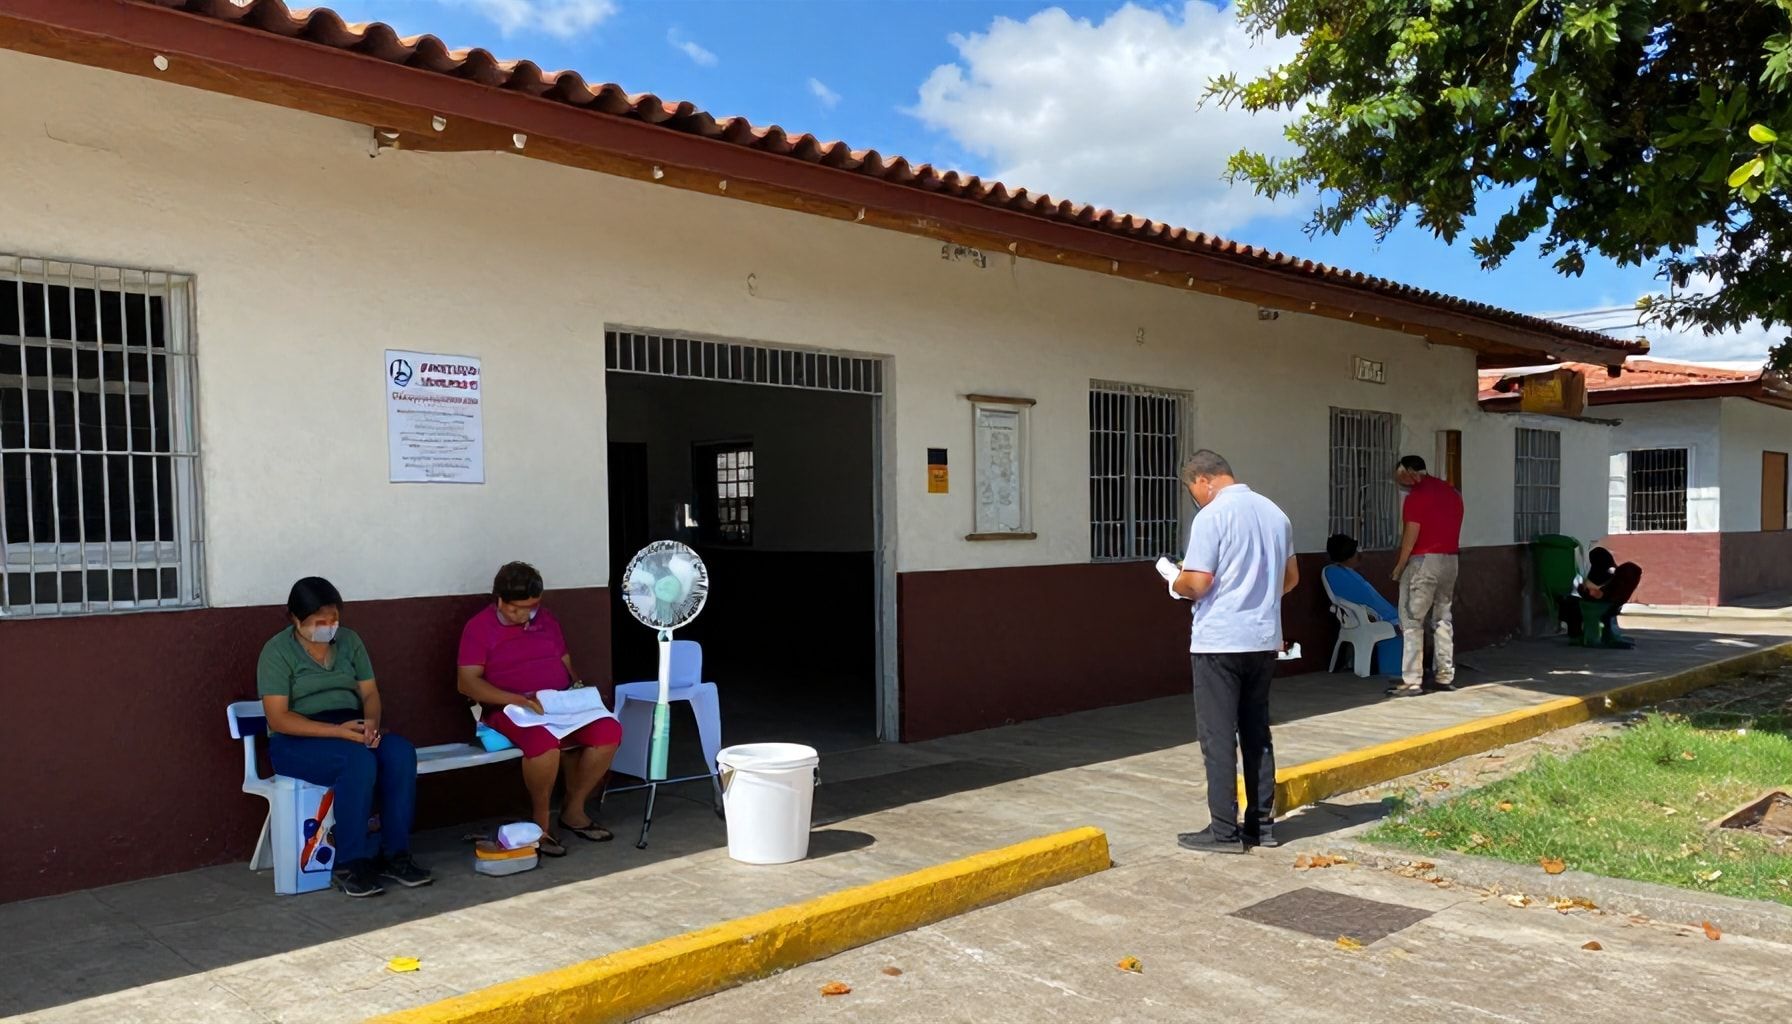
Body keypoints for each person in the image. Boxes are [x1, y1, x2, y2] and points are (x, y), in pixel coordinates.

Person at [256, 577, 432, 898]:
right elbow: (278, 718)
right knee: (357, 761)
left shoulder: (350, 641)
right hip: (297, 738)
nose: (328, 626)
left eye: (334, 619)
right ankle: (350, 862)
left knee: (400, 753)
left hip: (350, 726)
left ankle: (396, 854)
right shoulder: (277, 652)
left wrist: (372, 726)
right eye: (318, 622)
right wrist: (338, 733)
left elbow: (370, 693)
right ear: (296, 620)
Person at [1168, 450, 1299, 854]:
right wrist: (1255, 599)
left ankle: (1222, 831)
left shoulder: (1212, 516)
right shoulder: (1276, 513)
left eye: (1193, 490)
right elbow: (1291, 578)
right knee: (1257, 732)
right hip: (1262, 640)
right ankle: (1261, 825)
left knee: (1218, 736)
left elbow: (1199, 582)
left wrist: (1176, 582)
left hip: (1219, 642)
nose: (1196, 498)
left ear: (1203, 480)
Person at [457, 561, 621, 857]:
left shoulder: (546, 619)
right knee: (544, 745)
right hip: (509, 709)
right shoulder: (478, 628)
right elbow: (467, 683)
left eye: (531, 607)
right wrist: (517, 699)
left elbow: (565, 662)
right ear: (500, 600)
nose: (524, 615)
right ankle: (541, 822)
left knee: (609, 730)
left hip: (556, 704)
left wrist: (575, 691)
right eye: (516, 609)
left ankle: (573, 810)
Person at [1388, 455, 1464, 698]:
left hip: (1423, 562)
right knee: (1443, 619)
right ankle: (1444, 675)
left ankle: (1411, 680)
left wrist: (1400, 567)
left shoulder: (1416, 497)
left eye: (1400, 475)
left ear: (1410, 472)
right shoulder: (1452, 493)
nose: (1399, 480)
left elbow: (1411, 536)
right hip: (1451, 560)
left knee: (1411, 620)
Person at [1322, 534, 1403, 676]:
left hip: (1364, 617)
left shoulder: (1336, 572)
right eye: (1355, 553)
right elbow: (1368, 600)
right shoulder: (1339, 574)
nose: (1358, 556)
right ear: (1349, 556)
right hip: (1373, 618)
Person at [1560, 546, 1643, 648]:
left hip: (1598, 606)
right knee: (1571, 602)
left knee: (1569, 603)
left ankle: (1576, 637)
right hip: (1609, 606)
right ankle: (1603, 636)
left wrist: (1580, 588)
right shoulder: (1621, 579)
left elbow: (1597, 596)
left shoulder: (1605, 575)